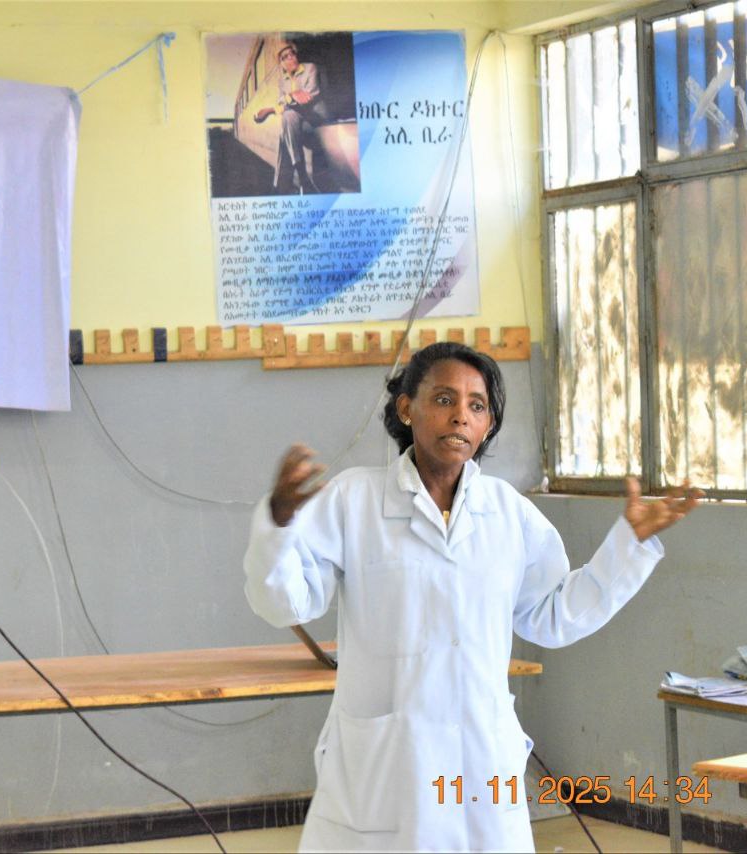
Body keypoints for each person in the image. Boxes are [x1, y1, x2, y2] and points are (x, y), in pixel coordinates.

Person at [243, 342, 702, 852]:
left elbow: (552, 616)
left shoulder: (508, 512)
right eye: (444, 399)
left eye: (476, 405)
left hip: (481, 762)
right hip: (387, 764)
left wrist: (628, 546)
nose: (460, 415)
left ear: (488, 425)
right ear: (406, 408)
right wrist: (279, 526)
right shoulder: (354, 501)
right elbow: (285, 604)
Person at [253, 41, 330, 194]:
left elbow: (309, 96)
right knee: (287, 119)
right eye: (285, 56)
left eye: (292, 53)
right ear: (281, 64)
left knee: (286, 127)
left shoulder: (310, 68)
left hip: (316, 121)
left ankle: (283, 184)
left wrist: (272, 109)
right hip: (297, 123)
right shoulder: (282, 81)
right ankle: (301, 180)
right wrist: (291, 96)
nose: (290, 58)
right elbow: (282, 101)